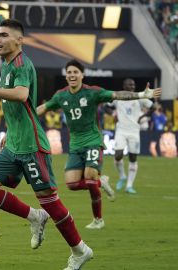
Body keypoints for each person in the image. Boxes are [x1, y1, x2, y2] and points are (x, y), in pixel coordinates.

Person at [0, 20, 93, 270]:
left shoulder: (21, 64)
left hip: (32, 145)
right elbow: (18, 108)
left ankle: (80, 250)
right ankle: (34, 216)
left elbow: (22, 95)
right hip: (14, 143)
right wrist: (9, 129)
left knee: (51, 202)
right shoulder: (5, 65)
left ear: (19, 40)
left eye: (4, 35)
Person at [37, 59, 161, 231]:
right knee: (72, 184)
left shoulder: (93, 92)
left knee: (89, 178)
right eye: (69, 72)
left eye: (75, 72)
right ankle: (101, 182)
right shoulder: (61, 95)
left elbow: (118, 95)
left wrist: (141, 95)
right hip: (75, 145)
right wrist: (25, 116)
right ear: (66, 76)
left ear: (82, 75)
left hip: (93, 141)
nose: (72, 75)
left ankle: (98, 219)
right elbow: (43, 108)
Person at [111, 78, 154, 194]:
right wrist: (112, 114)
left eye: (133, 85)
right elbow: (107, 105)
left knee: (133, 158)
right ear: (124, 86)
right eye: (130, 85)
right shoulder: (118, 97)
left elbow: (153, 107)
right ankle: (122, 176)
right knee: (118, 155)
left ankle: (129, 186)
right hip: (121, 130)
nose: (132, 87)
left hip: (134, 131)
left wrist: (141, 117)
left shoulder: (139, 97)